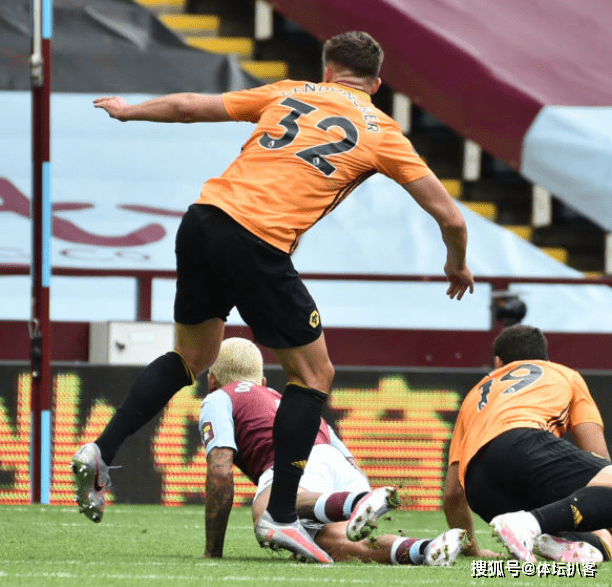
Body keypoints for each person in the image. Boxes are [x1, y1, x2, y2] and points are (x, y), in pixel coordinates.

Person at [71, 30, 475, 562]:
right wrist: (456, 262)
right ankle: (282, 514)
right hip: (257, 242)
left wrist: (129, 111)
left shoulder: (290, 91)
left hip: (202, 220)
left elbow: (190, 107)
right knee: (314, 376)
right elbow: (451, 217)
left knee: (191, 357)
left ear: (327, 70)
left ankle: (102, 450)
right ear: (376, 84)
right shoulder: (382, 131)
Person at [200, 337, 467, 564]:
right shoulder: (285, 399)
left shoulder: (219, 397)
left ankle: (354, 503)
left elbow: (221, 472)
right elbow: (347, 458)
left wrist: (213, 551)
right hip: (341, 468)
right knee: (333, 543)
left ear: (212, 381)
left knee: (268, 511)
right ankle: (425, 549)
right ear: (262, 380)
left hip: (300, 468)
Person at [443, 324, 612, 563]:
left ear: (498, 362)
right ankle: (530, 524)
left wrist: (472, 551)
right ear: (546, 359)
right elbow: (598, 455)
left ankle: (555, 541)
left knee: (603, 538)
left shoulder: (474, 395)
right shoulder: (563, 374)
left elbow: (452, 493)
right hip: (524, 445)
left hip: (480, 490)